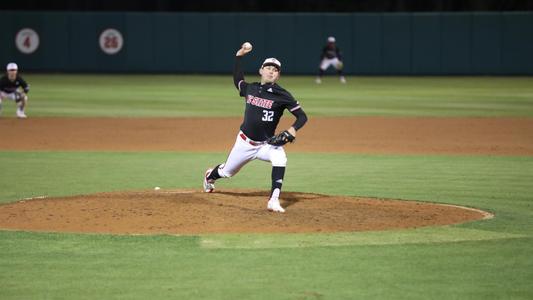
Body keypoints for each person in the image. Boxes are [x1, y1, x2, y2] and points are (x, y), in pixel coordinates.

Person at [203, 43, 308, 213]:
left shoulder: (282, 95)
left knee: (281, 159)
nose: (271, 71)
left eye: (275, 69)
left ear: (278, 75)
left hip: (267, 144)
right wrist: (239, 56)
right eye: (268, 67)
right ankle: (209, 176)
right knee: (227, 172)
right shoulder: (250, 88)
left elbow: (302, 117)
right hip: (245, 143)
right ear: (261, 71)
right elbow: (238, 80)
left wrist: (292, 129)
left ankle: (274, 200)